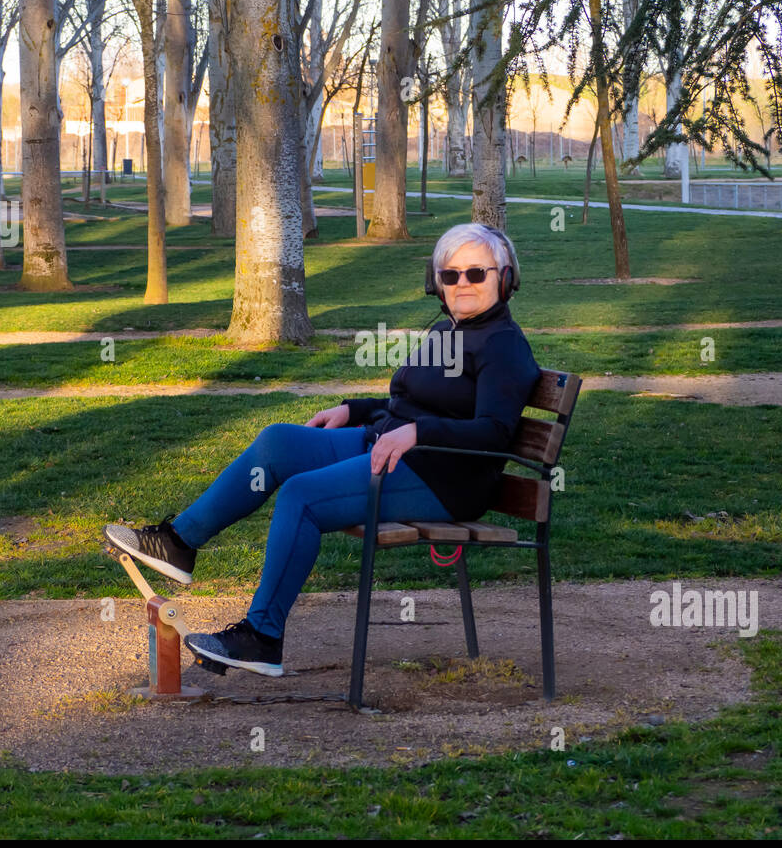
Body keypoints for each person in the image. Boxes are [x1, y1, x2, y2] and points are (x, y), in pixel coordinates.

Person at [103, 222, 542, 677]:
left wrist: (418, 433)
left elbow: (493, 432)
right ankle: (179, 543)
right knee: (279, 442)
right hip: (390, 449)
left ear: (505, 278)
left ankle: (262, 637)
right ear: (436, 285)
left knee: (302, 496)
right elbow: (411, 404)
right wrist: (353, 409)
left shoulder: (503, 347)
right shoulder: (451, 333)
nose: (462, 284)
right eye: (450, 276)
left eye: (476, 273)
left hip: (443, 479)